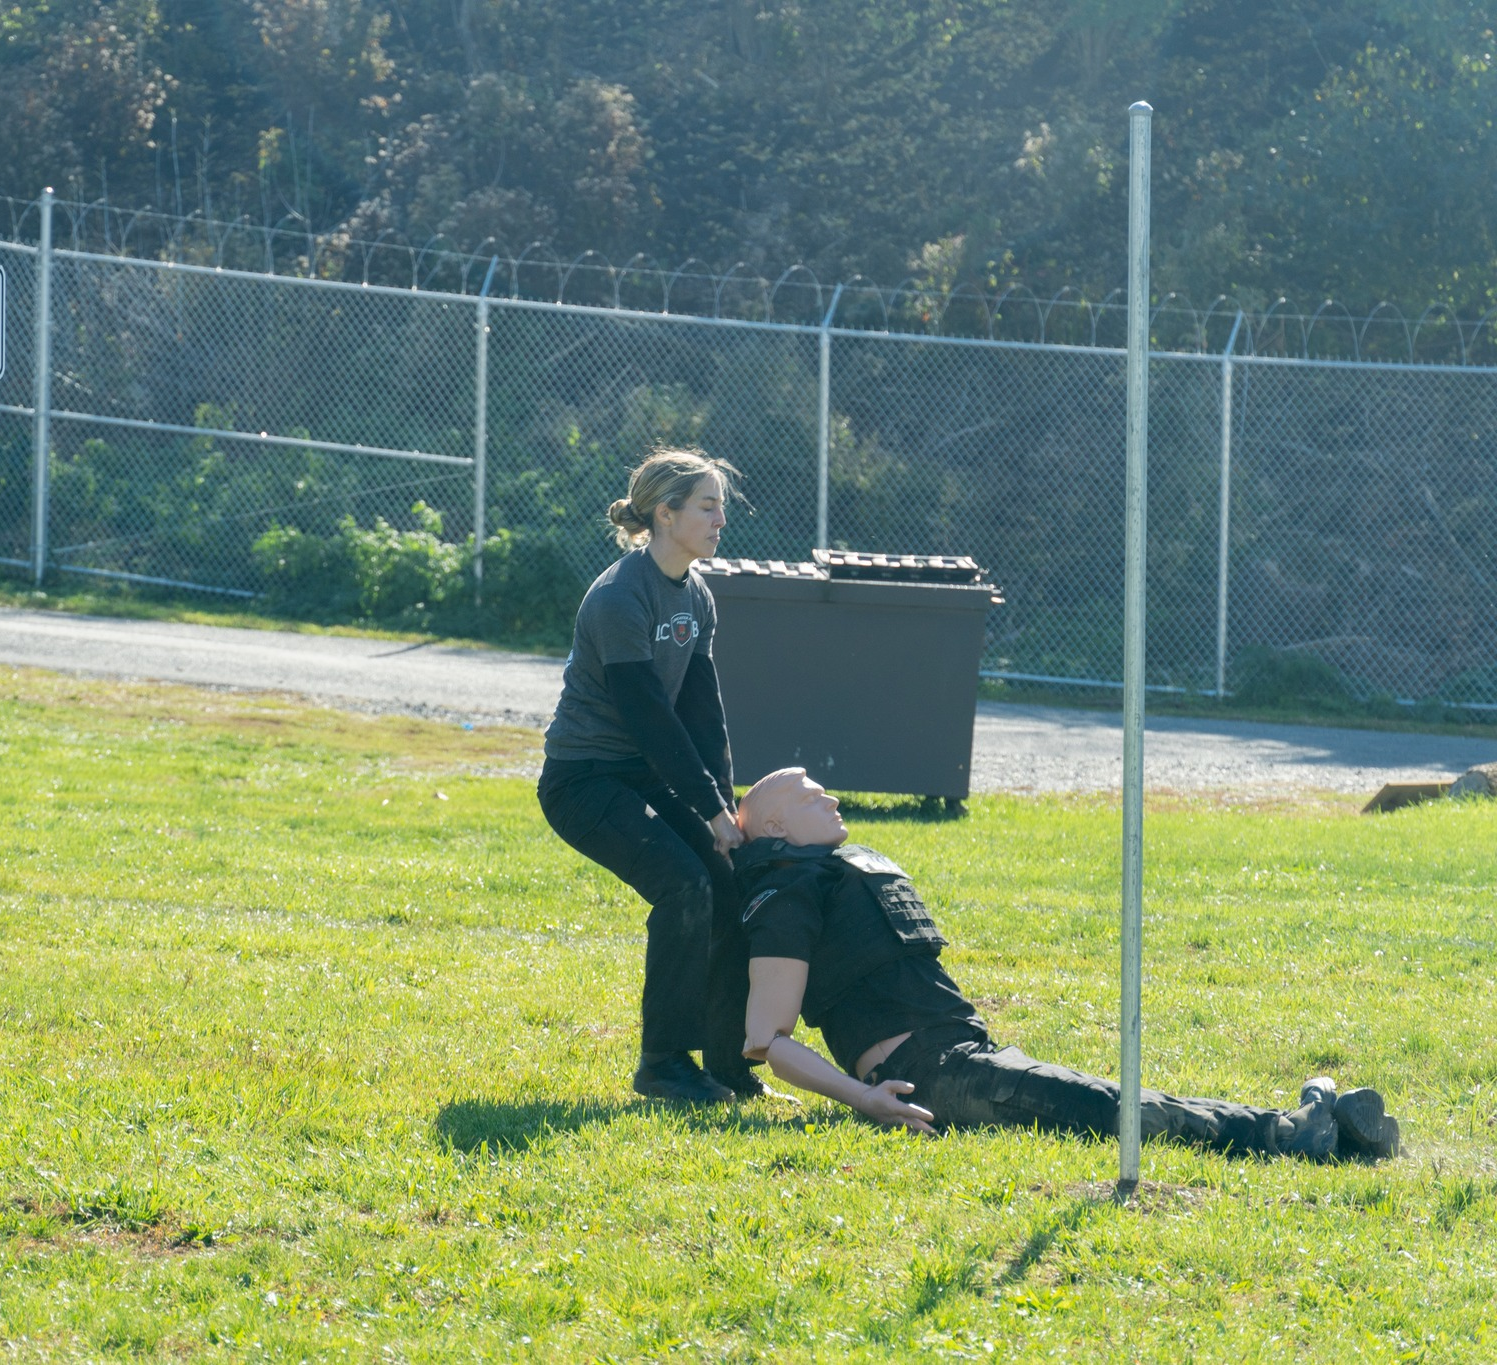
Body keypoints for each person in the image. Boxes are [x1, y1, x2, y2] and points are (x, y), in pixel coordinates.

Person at [732, 766, 1402, 1160]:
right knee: (1115, 1106)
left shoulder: (831, 874)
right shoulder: (784, 895)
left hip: (964, 1056)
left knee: (1111, 1099)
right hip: (927, 1077)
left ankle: (1329, 1133)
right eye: (810, 796)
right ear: (777, 829)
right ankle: (1296, 1132)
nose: (831, 797)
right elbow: (768, 1039)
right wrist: (865, 1099)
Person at [539, 448, 764, 1104]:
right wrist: (708, 813)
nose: (722, 518)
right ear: (665, 514)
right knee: (685, 884)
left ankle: (726, 1067)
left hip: (643, 774)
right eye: (707, 505)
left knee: (730, 889)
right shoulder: (619, 597)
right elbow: (650, 722)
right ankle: (663, 1063)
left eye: (721, 504)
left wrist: (726, 808)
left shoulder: (696, 594)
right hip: (585, 781)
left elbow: (701, 714)